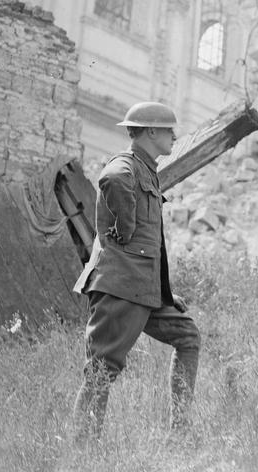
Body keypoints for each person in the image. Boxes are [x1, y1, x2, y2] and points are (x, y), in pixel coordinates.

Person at [71, 101, 200, 442]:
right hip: (119, 287)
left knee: (188, 336)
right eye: (169, 130)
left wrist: (164, 292)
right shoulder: (125, 165)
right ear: (151, 132)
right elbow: (110, 178)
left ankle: (180, 433)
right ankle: (81, 450)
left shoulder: (147, 169)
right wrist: (125, 224)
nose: (174, 136)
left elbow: (149, 245)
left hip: (141, 287)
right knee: (101, 370)